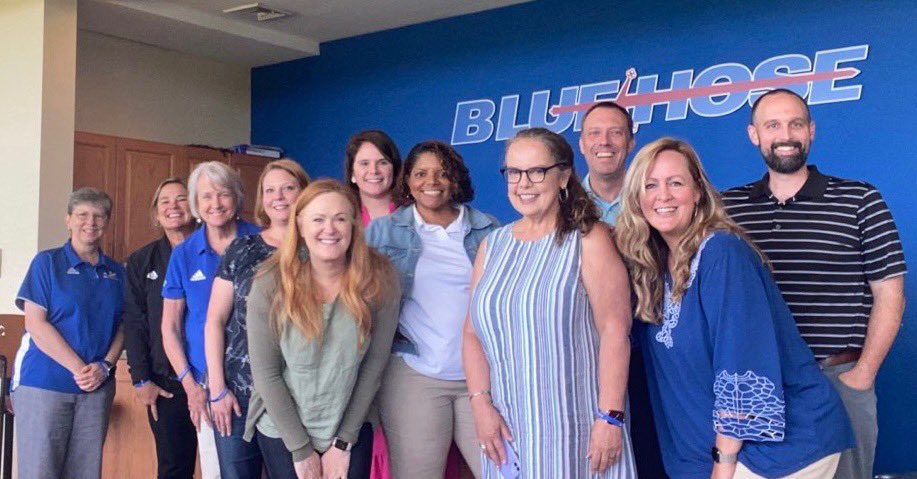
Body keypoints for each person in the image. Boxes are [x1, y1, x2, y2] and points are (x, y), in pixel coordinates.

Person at [616, 137, 855, 478]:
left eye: (676, 183)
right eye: (650, 185)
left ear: (698, 192)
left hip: (779, 449)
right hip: (710, 454)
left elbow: (742, 364)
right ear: (637, 199)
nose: (663, 195)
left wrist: (724, 462)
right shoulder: (651, 268)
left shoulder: (722, 254)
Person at [722, 88, 907, 479]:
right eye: (772, 125)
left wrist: (862, 377)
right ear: (754, 134)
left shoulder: (860, 200)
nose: (785, 133)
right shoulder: (727, 209)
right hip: (758, 388)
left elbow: (890, 296)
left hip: (839, 380)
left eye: (796, 123)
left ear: (811, 131)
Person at [465, 127, 636, 478]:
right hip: (507, 432)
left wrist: (611, 417)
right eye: (514, 172)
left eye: (536, 171)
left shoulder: (590, 239)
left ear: (563, 177)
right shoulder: (492, 246)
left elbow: (616, 331)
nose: (523, 183)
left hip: (579, 433)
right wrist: (480, 405)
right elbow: (471, 334)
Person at [244, 179, 400, 479]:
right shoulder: (270, 282)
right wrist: (301, 450)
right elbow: (266, 373)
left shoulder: (380, 278)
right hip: (284, 429)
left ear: (354, 225)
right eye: (318, 219)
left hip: (349, 425)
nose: (329, 229)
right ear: (300, 225)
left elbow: (374, 365)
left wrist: (343, 442)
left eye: (340, 219)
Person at [366, 140, 498, 478]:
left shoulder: (489, 230)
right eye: (421, 173)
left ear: (456, 179)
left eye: (442, 173)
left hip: (482, 376)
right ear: (407, 180)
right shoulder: (382, 232)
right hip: (414, 374)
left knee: (503, 470)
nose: (432, 181)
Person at [203, 160, 309, 477]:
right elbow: (214, 322)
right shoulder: (242, 248)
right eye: (270, 190)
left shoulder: (318, 247)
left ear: (304, 192)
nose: (279, 197)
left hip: (296, 396)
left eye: (289, 188)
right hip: (237, 395)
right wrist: (218, 390)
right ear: (262, 199)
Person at [12, 187, 125, 479]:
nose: (91, 222)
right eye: (82, 215)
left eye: (99, 216)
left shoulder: (118, 272)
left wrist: (105, 366)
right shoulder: (47, 263)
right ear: (68, 220)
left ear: (107, 222)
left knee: (85, 473)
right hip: (45, 384)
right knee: (40, 472)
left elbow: (125, 325)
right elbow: (35, 323)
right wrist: (80, 369)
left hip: (96, 389)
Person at [579, 101, 665, 478]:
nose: (605, 142)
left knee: (654, 454)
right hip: (585, 352)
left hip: (654, 347)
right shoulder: (560, 208)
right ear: (581, 144)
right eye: (595, 133)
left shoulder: (659, 199)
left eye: (616, 133)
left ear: (631, 142)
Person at [161, 161, 261, 479]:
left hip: (263, 378)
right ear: (196, 205)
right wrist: (192, 387)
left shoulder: (262, 241)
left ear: (237, 198)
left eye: (223, 194)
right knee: (219, 472)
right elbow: (170, 327)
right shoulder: (184, 253)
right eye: (206, 197)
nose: (215, 204)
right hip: (208, 385)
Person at [124, 178, 198, 478]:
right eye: (164, 202)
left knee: (225, 467)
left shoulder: (214, 250)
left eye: (181, 199)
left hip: (215, 382)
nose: (173, 207)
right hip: (166, 386)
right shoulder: (142, 261)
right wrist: (141, 380)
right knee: (172, 468)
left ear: (194, 207)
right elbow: (135, 321)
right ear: (156, 213)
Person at [345, 129, 403, 227]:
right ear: (352, 174)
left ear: (395, 169)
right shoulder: (344, 216)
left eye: (382, 162)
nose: (374, 171)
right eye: (365, 163)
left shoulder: (416, 214)